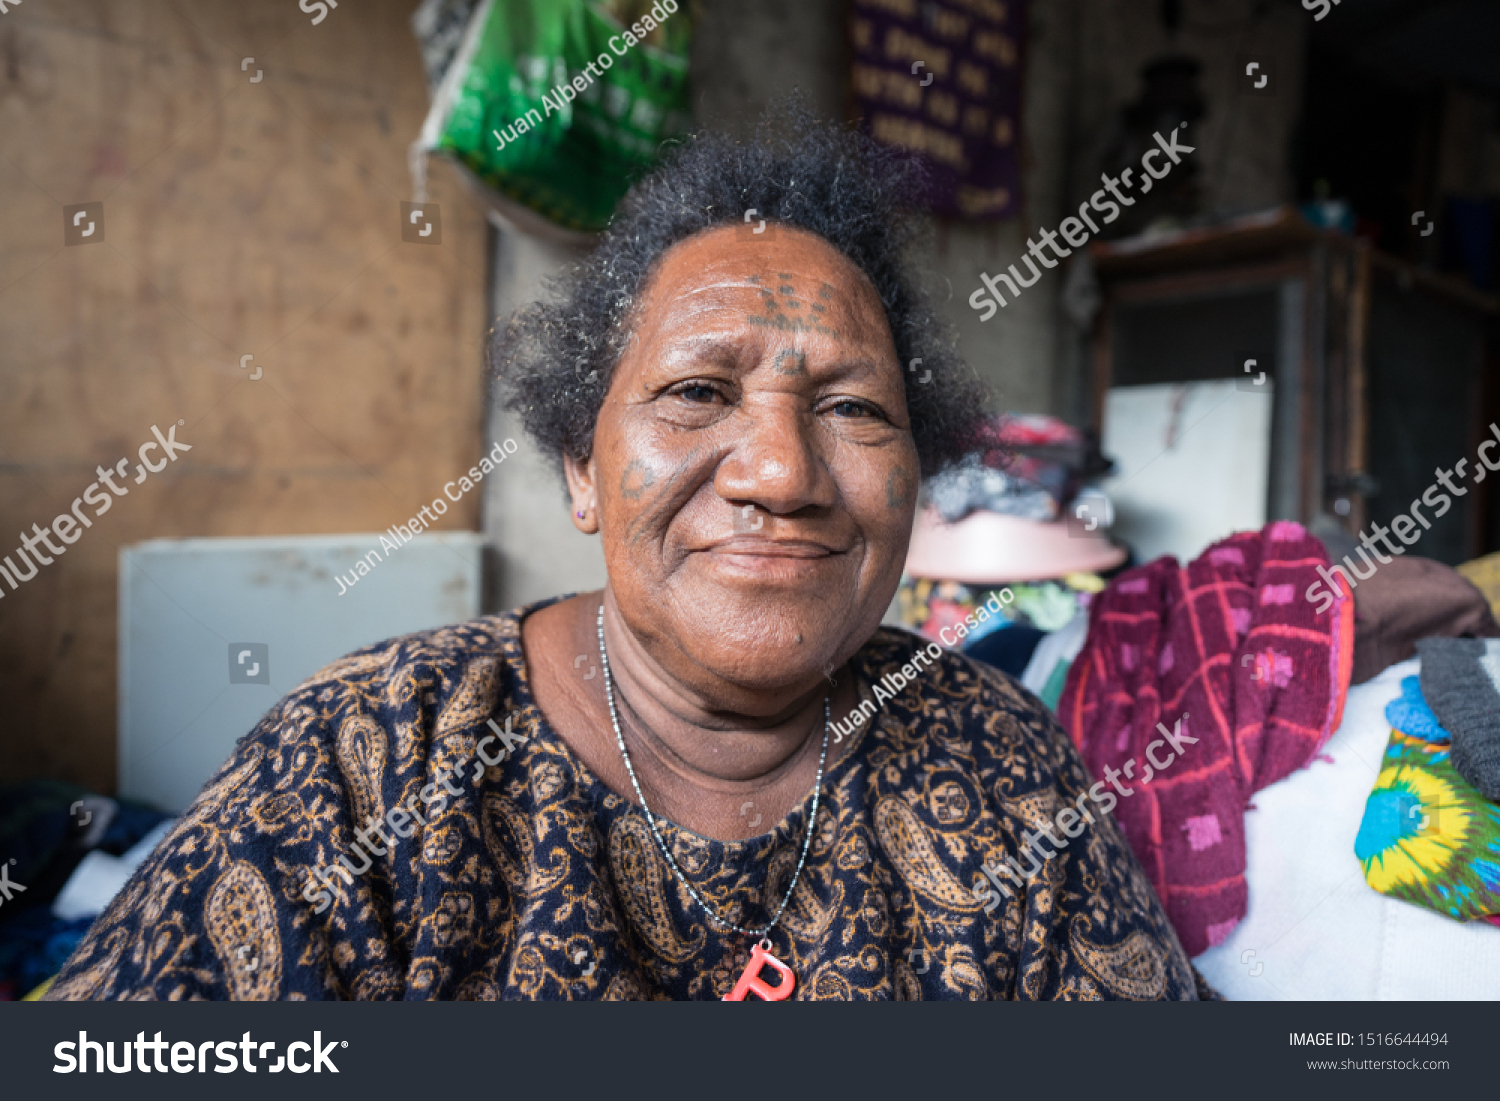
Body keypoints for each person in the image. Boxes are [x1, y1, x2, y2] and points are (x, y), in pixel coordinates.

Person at [46, 108, 1212, 1001]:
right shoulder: (370, 759)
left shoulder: (1002, 761)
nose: (782, 473)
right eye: (698, 392)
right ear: (580, 470)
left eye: (856, 411)